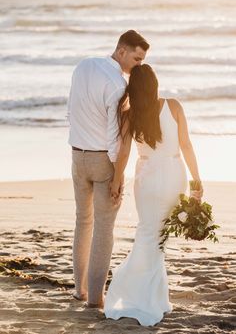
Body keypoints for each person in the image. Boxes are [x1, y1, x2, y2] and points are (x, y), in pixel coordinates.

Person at [104, 64, 203, 325]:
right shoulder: (174, 106)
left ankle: (149, 296)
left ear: (133, 89)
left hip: (146, 178)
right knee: (159, 237)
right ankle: (153, 298)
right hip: (173, 174)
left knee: (149, 232)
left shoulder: (129, 114)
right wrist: (196, 179)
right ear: (155, 84)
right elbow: (187, 145)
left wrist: (116, 182)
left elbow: (124, 153)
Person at [67, 30, 149, 309]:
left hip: (77, 156)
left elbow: (71, 110)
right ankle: (95, 298)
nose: (138, 65)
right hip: (103, 161)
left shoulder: (84, 65)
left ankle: (80, 291)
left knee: (83, 222)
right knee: (103, 228)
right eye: (137, 58)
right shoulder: (118, 86)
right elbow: (116, 139)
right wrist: (118, 177)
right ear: (122, 51)